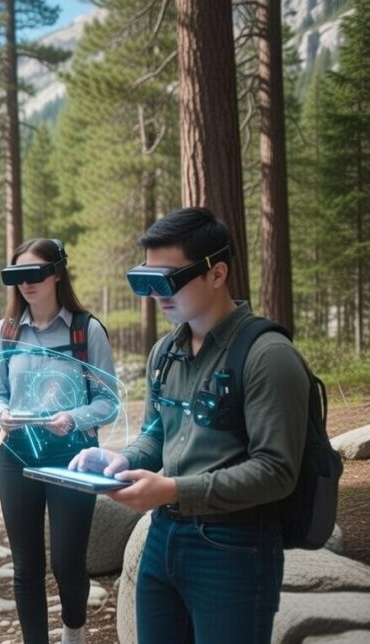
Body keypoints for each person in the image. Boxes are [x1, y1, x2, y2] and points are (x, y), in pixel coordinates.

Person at [69, 208, 308, 643]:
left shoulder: (268, 356)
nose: (155, 294)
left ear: (217, 274)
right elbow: (158, 433)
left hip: (235, 546)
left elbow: (276, 472)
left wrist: (173, 489)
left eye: (168, 280)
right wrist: (120, 458)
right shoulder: (165, 351)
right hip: (163, 537)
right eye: (145, 281)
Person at [0, 238, 117, 644]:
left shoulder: (86, 329)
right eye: (17, 276)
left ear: (57, 272)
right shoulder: (5, 332)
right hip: (16, 454)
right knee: (26, 565)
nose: (26, 284)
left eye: (35, 274)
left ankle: (73, 634)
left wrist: (73, 418)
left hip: (72, 456)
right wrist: (1, 412)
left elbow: (109, 402)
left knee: (67, 561)